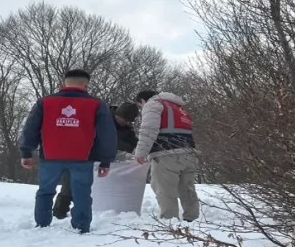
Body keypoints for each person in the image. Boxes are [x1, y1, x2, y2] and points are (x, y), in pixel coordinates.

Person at [19, 69, 117, 233]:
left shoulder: (45, 102)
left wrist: (26, 151)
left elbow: (30, 129)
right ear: (86, 84)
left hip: (50, 155)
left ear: (63, 83)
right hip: (82, 157)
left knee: (45, 191)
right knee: (82, 193)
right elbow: (106, 134)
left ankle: (42, 224)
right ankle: (81, 226)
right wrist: (106, 160)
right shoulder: (97, 104)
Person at [53, 102, 140, 220]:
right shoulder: (102, 119)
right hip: (81, 153)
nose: (127, 123)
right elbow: (105, 138)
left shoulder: (126, 128)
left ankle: (83, 212)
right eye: (125, 120)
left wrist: (140, 148)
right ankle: (59, 212)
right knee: (70, 183)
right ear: (118, 115)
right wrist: (130, 148)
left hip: (103, 158)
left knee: (88, 188)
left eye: (129, 121)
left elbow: (132, 141)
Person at [134, 89, 200, 221]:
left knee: (165, 189)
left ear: (142, 101)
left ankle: (170, 221)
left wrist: (141, 152)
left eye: (140, 105)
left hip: (166, 153)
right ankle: (192, 218)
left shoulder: (153, 105)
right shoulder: (178, 108)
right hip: (189, 153)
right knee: (187, 189)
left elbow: (148, 130)